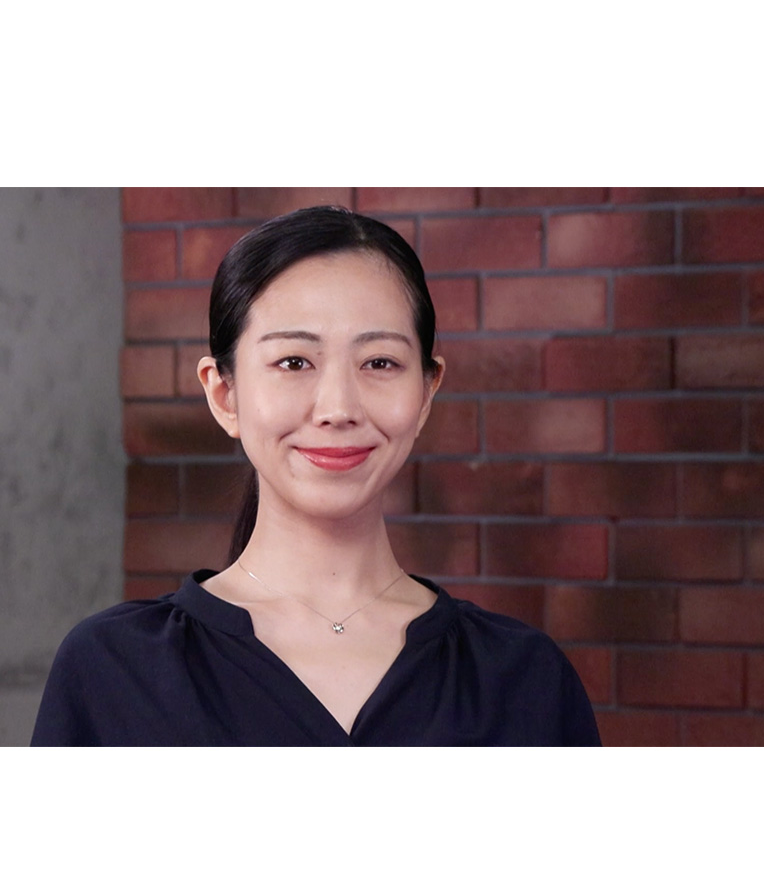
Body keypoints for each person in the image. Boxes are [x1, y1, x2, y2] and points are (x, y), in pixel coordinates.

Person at [31, 206, 600, 746]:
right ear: (224, 394)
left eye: (379, 362)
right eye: (294, 362)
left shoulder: (524, 679)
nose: (338, 408)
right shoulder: (114, 669)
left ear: (426, 393)